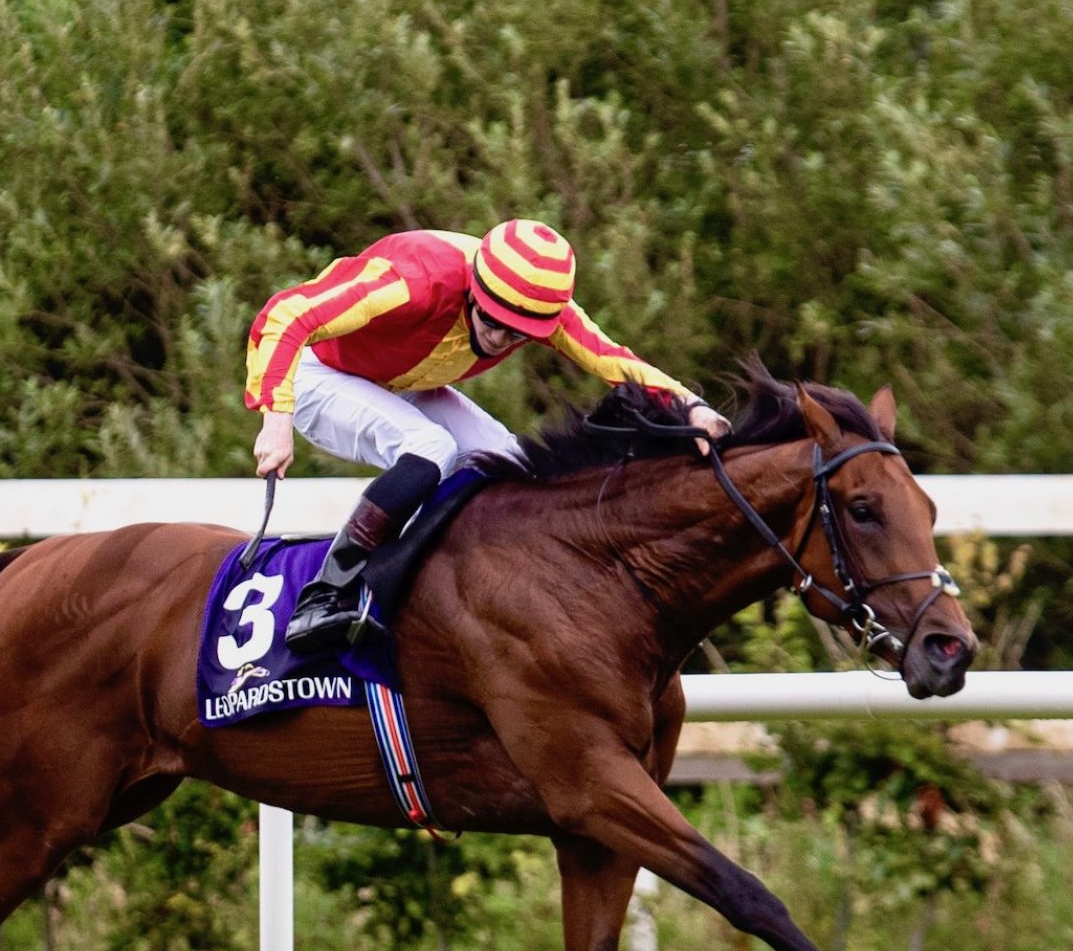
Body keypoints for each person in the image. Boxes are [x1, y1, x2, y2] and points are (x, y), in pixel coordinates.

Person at [246, 219, 731, 652]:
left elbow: (611, 358)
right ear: (472, 290)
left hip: (407, 378)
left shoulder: (543, 307)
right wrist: (276, 416)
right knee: (433, 448)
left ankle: (453, 588)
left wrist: (692, 406)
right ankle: (325, 595)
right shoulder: (414, 281)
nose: (499, 338)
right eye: (491, 320)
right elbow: (285, 315)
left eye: (517, 333)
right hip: (313, 374)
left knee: (507, 460)